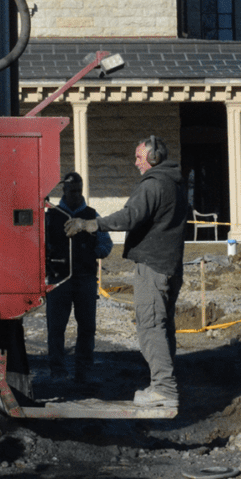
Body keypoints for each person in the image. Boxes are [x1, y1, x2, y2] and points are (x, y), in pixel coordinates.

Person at [64, 134, 186, 408]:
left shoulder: (154, 184)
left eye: (139, 157)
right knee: (162, 326)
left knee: (151, 325)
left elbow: (129, 216)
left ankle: (164, 390)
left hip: (154, 266)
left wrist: (89, 225)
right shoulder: (173, 182)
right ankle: (160, 385)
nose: (136, 163)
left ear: (153, 158)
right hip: (168, 264)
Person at [44, 172, 112, 383]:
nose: (76, 195)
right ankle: (57, 370)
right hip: (58, 280)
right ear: (63, 190)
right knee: (56, 327)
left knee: (87, 326)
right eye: (72, 191)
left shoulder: (92, 215)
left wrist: (97, 251)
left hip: (85, 279)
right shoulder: (51, 215)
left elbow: (106, 244)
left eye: (79, 191)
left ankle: (83, 369)